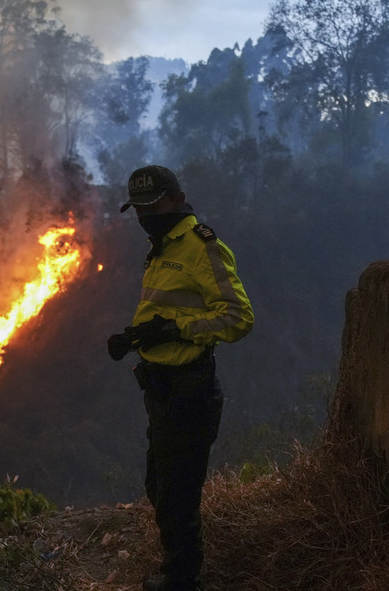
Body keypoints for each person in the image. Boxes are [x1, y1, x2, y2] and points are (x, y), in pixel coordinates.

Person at [107, 165, 254, 591]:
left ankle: (181, 577)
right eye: (138, 209)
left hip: (190, 388)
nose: (145, 216)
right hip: (161, 389)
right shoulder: (160, 247)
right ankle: (179, 568)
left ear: (177, 198)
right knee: (160, 483)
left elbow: (237, 317)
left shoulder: (200, 246)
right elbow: (167, 308)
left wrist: (176, 329)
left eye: (153, 206)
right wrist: (135, 338)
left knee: (177, 490)